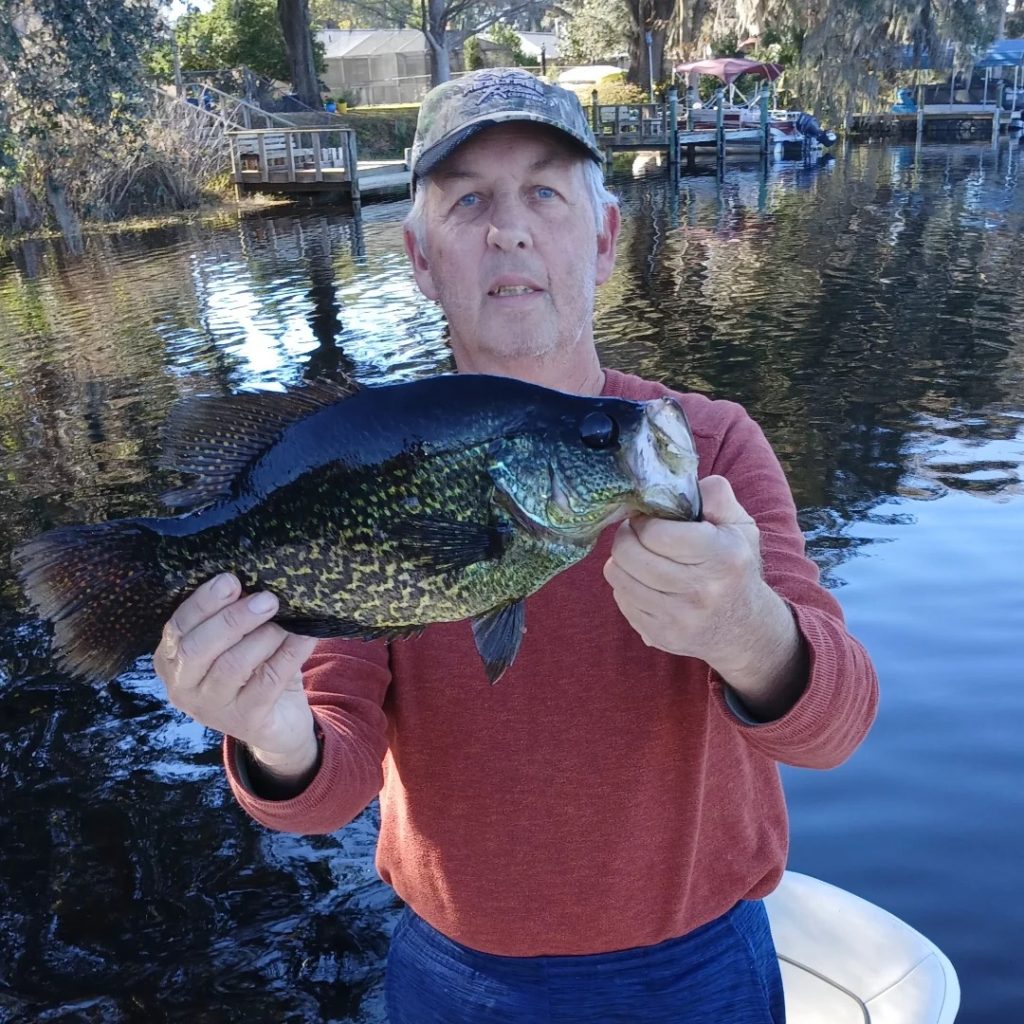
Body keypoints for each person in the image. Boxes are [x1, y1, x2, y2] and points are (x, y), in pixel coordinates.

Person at [154, 68, 878, 1023]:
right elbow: (328, 784)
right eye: (468, 202)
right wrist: (269, 731)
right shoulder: (370, 463)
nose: (510, 228)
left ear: (606, 237)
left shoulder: (711, 446)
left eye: (545, 190)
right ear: (419, 258)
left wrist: (749, 632)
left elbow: (837, 728)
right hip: (459, 980)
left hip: (699, 969)